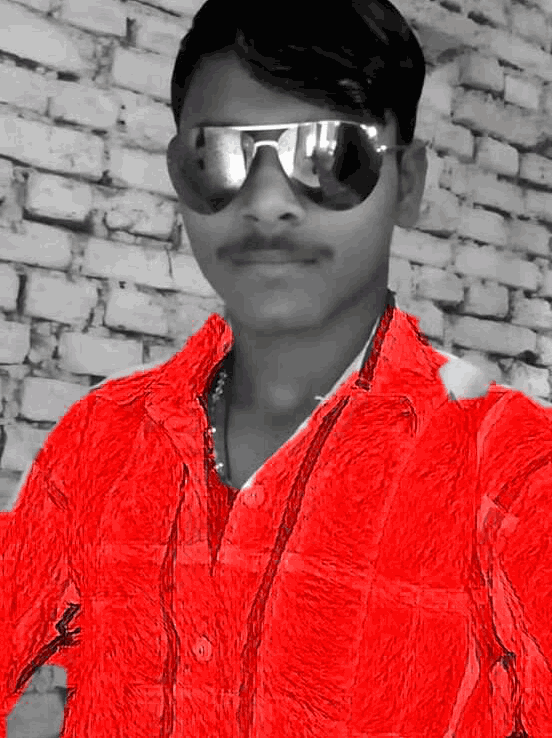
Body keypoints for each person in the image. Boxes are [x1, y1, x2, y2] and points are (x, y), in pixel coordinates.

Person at [2, 0, 551, 736]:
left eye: (332, 156)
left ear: (409, 182)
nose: (266, 204)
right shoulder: (100, 439)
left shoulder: (510, 474)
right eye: (217, 157)